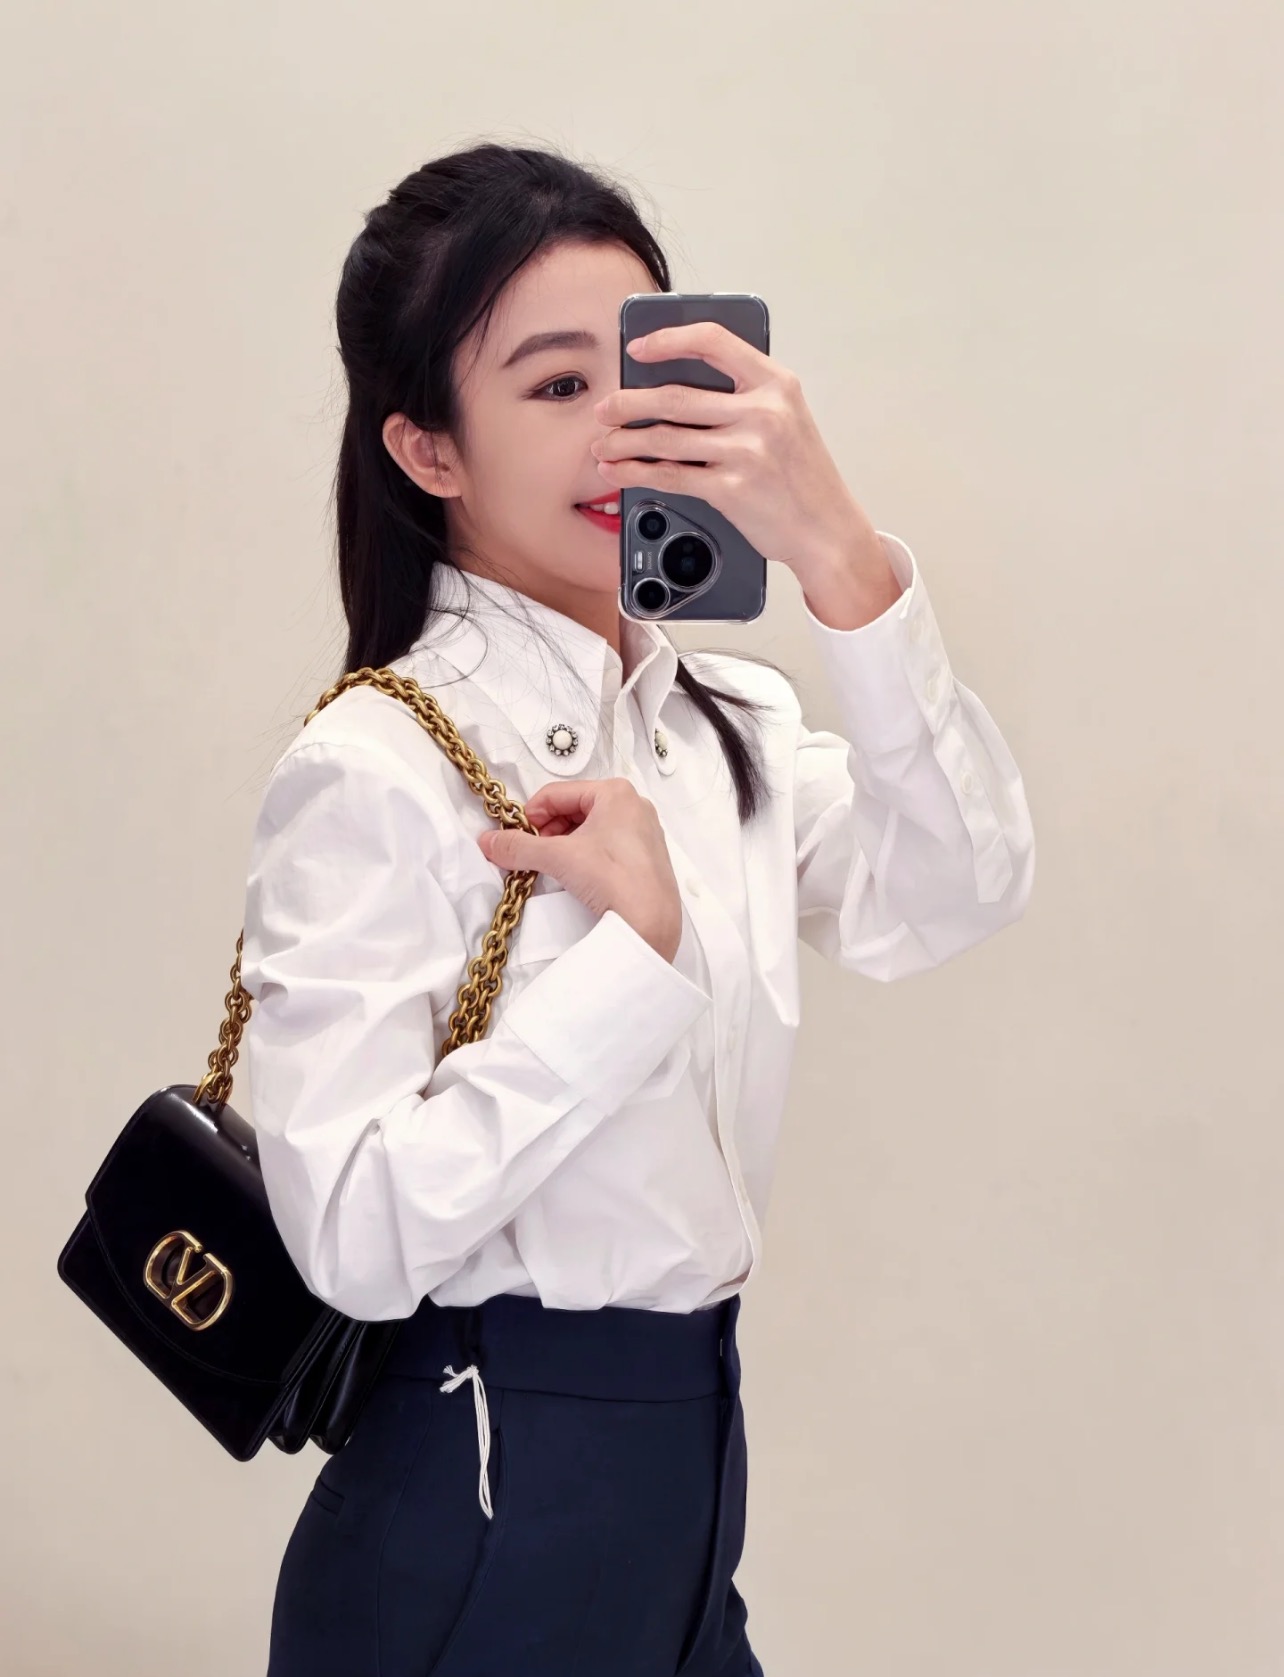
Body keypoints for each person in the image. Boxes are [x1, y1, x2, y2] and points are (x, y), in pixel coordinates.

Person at [239, 141, 1036, 1677]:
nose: (624, 424)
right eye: (555, 386)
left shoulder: (720, 725)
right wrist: (634, 963)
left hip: (687, 1492)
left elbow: (958, 885)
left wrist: (840, 556)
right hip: (479, 1518)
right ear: (427, 448)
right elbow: (349, 1234)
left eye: (648, 372)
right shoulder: (378, 765)